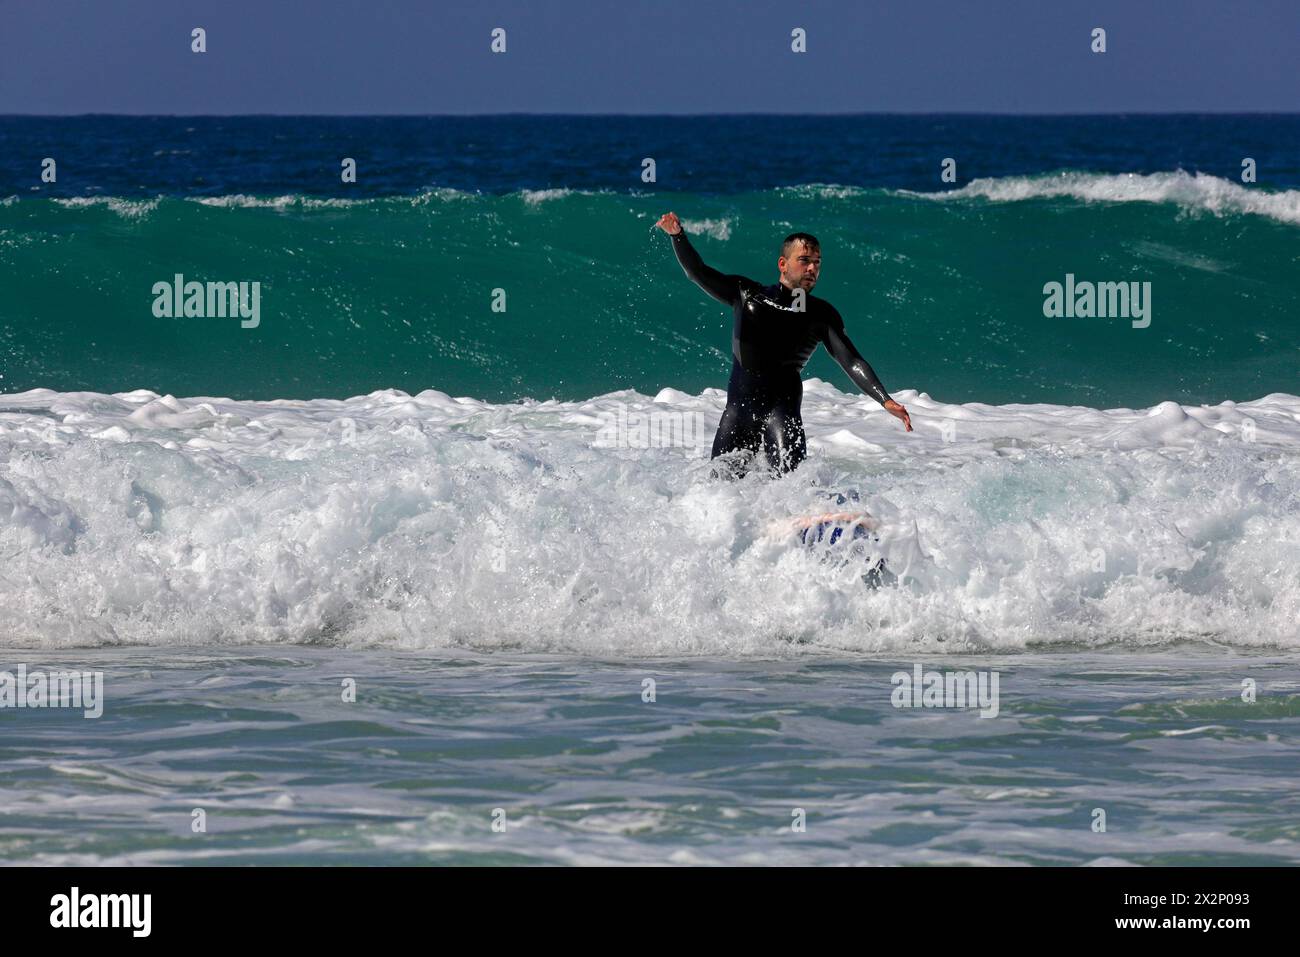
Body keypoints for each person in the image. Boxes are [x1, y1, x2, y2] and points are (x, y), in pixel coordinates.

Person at [657, 212, 911, 476]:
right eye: (804, 261)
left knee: (791, 485)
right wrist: (678, 236)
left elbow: (850, 359)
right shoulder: (746, 294)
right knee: (720, 489)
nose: (813, 269)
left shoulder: (820, 314)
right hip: (738, 413)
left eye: (817, 263)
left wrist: (884, 399)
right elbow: (697, 272)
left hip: (782, 413)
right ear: (783, 263)